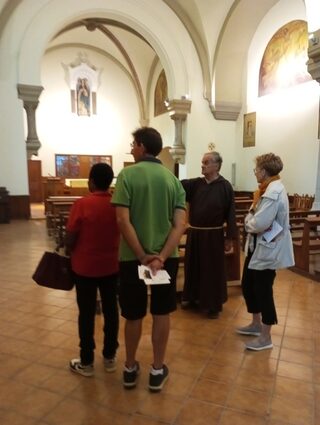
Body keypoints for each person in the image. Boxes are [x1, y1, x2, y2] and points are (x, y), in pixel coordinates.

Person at [111, 127, 186, 392]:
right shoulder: (172, 180)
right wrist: (161, 257)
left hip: (133, 258)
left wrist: (143, 256)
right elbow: (180, 225)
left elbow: (122, 220)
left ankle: (130, 368)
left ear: (142, 146)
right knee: (161, 312)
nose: (131, 149)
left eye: (133, 144)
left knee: (133, 314)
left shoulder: (127, 175)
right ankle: (156, 370)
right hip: (166, 260)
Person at [65, 163, 120, 376]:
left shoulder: (82, 204)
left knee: (86, 314)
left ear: (92, 181)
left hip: (85, 268)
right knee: (111, 311)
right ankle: (110, 358)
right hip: (111, 266)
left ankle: (86, 362)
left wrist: (69, 249)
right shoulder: (117, 204)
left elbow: (70, 236)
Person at [236, 153, 294, 351]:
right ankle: (255, 323)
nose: (255, 173)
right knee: (248, 286)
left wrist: (247, 221)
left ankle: (266, 336)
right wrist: (250, 220)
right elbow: (255, 217)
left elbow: (258, 223)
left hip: (267, 249)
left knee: (263, 291)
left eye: (257, 169)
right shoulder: (264, 189)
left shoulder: (273, 192)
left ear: (265, 171)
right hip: (257, 247)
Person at [181, 151, 237, 319]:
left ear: (216, 166)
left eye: (206, 162)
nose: (202, 165)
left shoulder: (225, 186)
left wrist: (229, 238)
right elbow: (174, 186)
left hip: (214, 236)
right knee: (194, 267)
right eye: (202, 162)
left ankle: (213, 304)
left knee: (212, 270)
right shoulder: (194, 184)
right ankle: (192, 297)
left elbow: (231, 214)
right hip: (196, 234)